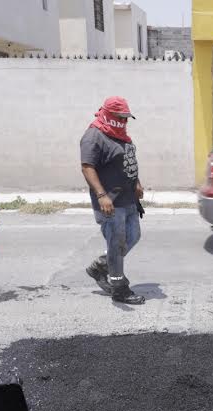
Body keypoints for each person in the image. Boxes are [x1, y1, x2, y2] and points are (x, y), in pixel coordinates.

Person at [80, 96, 146, 305]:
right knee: (116, 244)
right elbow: (87, 167)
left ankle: (100, 266)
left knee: (133, 236)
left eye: (127, 117)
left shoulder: (120, 135)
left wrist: (137, 183)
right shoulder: (94, 136)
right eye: (121, 117)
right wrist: (101, 195)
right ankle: (119, 289)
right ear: (110, 115)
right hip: (110, 201)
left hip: (128, 198)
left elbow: (127, 161)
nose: (125, 121)